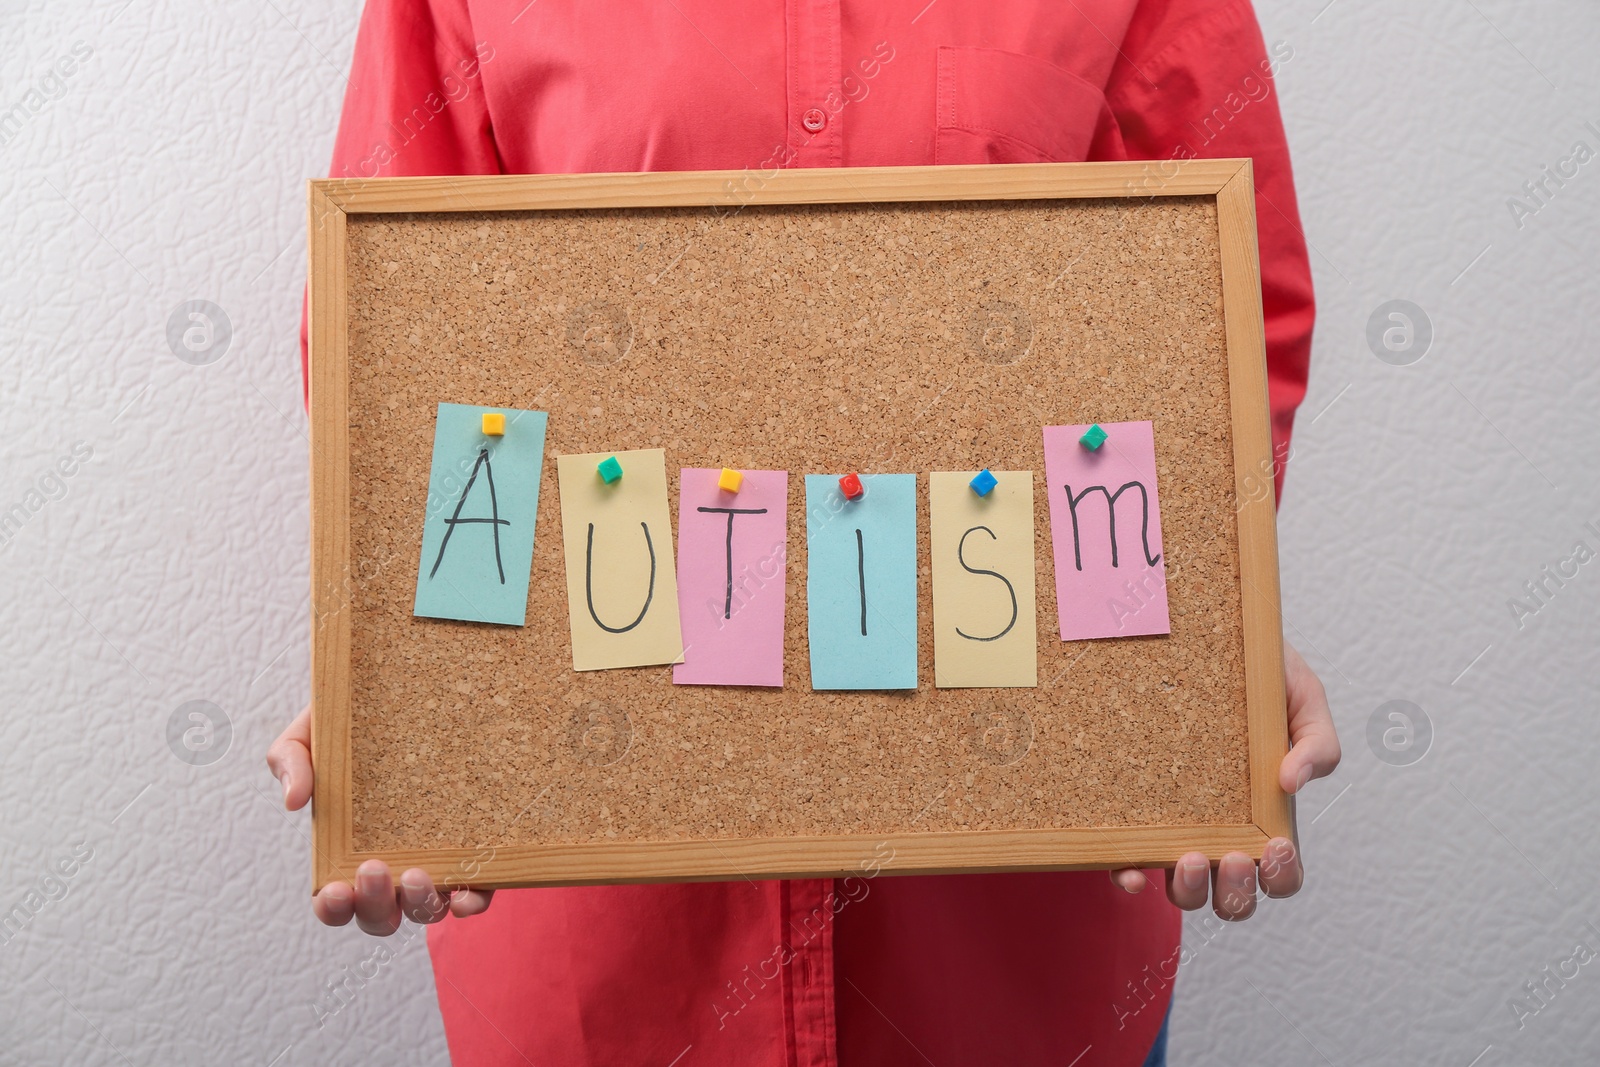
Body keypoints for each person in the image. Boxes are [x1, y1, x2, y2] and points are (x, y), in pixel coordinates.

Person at [267, 1, 1341, 1063]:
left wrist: (1201, 629)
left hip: (1011, 966)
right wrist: (412, 686)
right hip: (611, 968)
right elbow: (403, 338)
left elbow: (1220, 316)